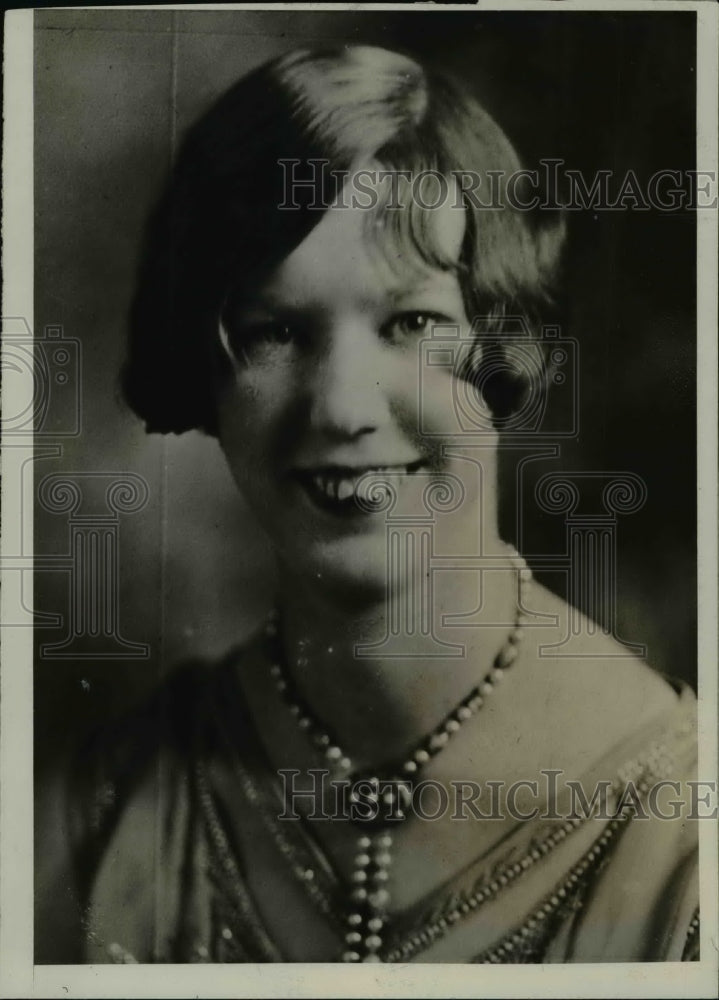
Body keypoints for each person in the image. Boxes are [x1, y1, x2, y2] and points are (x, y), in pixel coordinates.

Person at [67, 44, 698, 964]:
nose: (343, 406)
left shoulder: (684, 838)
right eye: (274, 330)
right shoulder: (98, 814)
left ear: (503, 346)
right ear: (205, 372)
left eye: (413, 324)